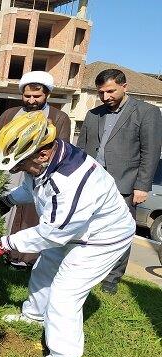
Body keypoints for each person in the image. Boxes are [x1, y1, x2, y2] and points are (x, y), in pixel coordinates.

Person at [0, 111, 135, 357]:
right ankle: (34, 315)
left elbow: (54, 232)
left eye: (21, 164)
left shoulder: (71, 181)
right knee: (44, 267)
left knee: (64, 295)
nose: (17, 170)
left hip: (101, 239)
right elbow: (34, 188)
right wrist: (9, 200)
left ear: (43, 154)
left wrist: (2, 244)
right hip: (73, 230)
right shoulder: (46, 161)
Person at [77, 68, 162, 294]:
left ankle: (111, 281)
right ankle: (87, 270)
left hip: (124, 186)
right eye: (101, 93)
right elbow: (82, 150)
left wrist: (142, 186)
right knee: (88, 229)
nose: (106, 97)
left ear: (125, 86)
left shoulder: (147, 113)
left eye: (111, 91)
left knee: (119, 233)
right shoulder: (93, 114)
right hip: (91, 184)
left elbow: (151, 153)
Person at [0, 71, 71, 269]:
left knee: (31, 215)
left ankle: (27, 259)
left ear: (47, 95)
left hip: (39, 174)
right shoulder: (10, 114)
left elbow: (62, 149)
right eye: (27, 96)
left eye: (37, 96)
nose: (32, 100)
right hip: (9, 172)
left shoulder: (59, 117)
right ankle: (3, 252)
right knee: (6, 208)